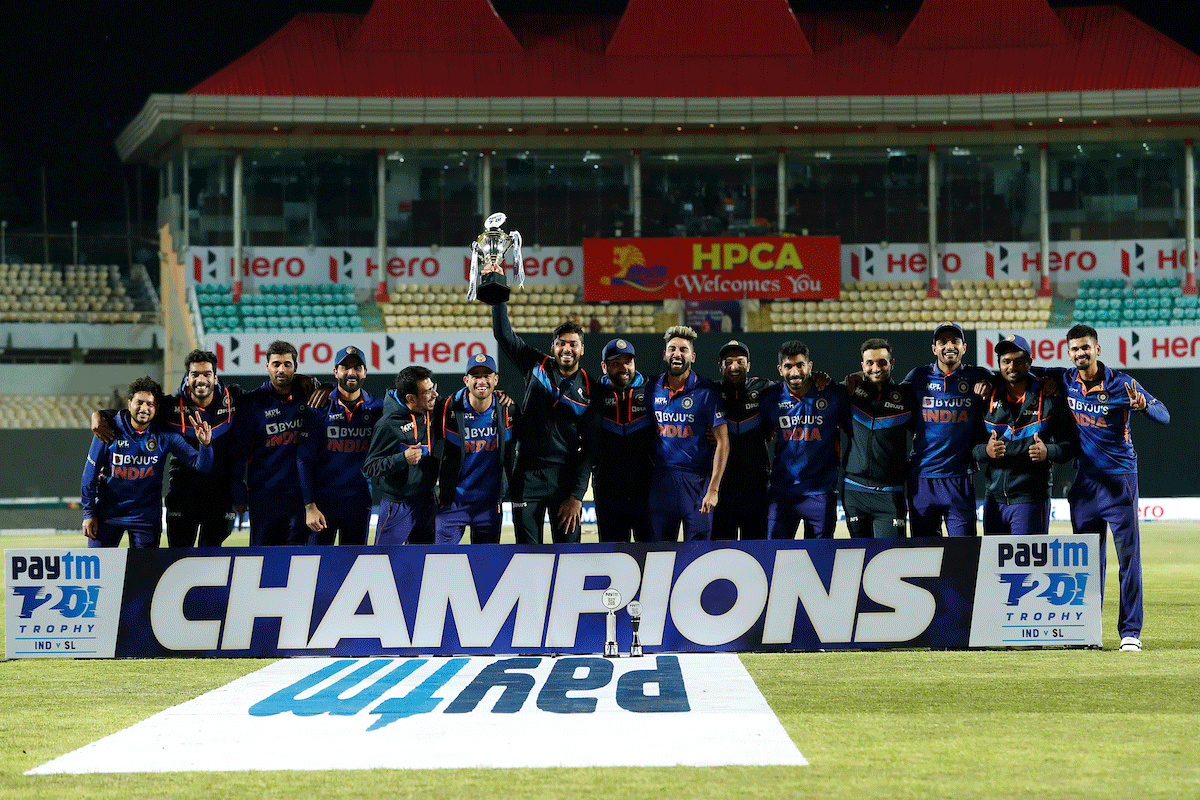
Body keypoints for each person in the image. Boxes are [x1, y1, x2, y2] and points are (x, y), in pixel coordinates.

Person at [1047, 324, 1170, 652]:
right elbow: (1022, 369)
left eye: (1085, 347)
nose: (1080, 353)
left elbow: (1164, 414)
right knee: (1086, 562)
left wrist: (1144, 407)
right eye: (1074, 349)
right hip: (1085, 485)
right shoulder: (1065, 379)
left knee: (1128, 559)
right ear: (1068, 352)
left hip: (1119, 483)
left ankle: (1130, 633)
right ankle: (1087, 632)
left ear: (1097, 349)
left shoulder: (1122, 383)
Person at [492, 301, 593, 543]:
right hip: (527, 475)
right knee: (527, 558)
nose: (566, 348)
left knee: (568, 558)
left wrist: (577, 496)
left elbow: (589, 449)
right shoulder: (537, 365)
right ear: (553, 347)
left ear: (582, 349)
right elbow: (503, 335)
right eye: (561, 343)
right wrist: (498, 299)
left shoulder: (592, 391)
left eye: (573, 344)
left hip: (564, 482)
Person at [81, 377, 212, 548]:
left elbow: (202, 466)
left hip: (145, 518)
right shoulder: (108, 428)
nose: (144, 408)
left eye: (150, 404)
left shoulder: (166, 435)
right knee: (98, 572)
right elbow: (89, 474)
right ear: (129, 404)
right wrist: (89, 514)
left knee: (145, 574)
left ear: (156, 408)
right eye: (139, 402)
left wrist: (205, 445)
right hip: (108, 515)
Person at [972, 334, 1076, 536]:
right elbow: (972, 448)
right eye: (1006, 361)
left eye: (1018, 360)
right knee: (994, 566)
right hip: (993, 500)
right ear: (999, 365)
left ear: (1029, 362)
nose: (1012, 366)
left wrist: (1049, 451)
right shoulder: (987, 396)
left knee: (1027, 567)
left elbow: (1070, 445)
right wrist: (985, 451)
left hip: (1031, 500)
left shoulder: (1049, 396)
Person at [901, 322, 992, 537]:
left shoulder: (979, 376)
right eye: (943, 342)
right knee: (925, 555)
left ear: (964, 347)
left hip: (959, 478)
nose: (949, 346)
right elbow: (886, 394)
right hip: (922, 478)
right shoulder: (918, 377)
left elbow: (1013, 380)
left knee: (964, 554)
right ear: (934, 349)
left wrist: (989, 384)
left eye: (955, 341)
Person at [759, 341, 849, 539]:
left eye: (800, 365)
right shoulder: (769, 399)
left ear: (810, 366)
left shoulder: (833, 395)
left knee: (819, 560)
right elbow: (762, 436)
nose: (795, 372)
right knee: (775, 555)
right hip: (782, 492)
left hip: (821, 492)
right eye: (788, 367)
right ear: (779, 369)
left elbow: (854, 431)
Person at [648, 325, 729, 542]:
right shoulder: (651, 388)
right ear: (665, 354)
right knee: (660, 554)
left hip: (697, 482)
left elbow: (723, 442)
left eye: (683, 350)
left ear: (692, 356)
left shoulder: (707, 391)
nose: (677, 354)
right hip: (662, 481)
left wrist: (713, 489)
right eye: (672, 348)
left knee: (698, 554)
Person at [297, 345, 384, 546]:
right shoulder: (319, 408)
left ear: (365, 372)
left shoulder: (378, 408)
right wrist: (309, 506)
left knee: (354, 566)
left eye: (357, 367)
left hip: (359, 501)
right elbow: (303, 459)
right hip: (323, 503)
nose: (351, 373)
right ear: (335, 371)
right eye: (345, 367)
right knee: (316, 565)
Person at [230, 340, 311, 546]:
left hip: (300, 496)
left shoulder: (309, 396)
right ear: (267, 367)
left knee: (297, 559)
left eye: (287, 364)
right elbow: (239, 452)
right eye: (276, 364)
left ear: (296, 367)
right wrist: (239, 493)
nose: (281, 369)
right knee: (261, 559)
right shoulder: (252, 403)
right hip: (264, 496)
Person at [435, 354, 518, 544]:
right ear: (466, 380)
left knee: (485, 568)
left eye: (486, 375)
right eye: (475, 376)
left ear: (496, 379)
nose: (481, 381)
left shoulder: (508, 411)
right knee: (440, 563)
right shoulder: (448, 409)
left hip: (489, 504)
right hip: (453, 502)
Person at [842, 338, 917, 538]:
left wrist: (907, 465)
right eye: (870, 363)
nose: (876, 368)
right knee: (860, 560)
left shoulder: (906, 397)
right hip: (854, 492)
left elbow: (925, 435)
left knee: (890, 560)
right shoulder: (849, 392)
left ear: (891, 364)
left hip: (890, 493)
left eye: (882, 362)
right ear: (862, 366)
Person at [364, 365, 443, 545]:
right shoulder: (388, 424)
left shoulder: (432, 411)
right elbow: (371, 466)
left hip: (427, 502)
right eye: (428, 391)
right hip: (397, 506)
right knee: (385, 562)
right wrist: (402, 458)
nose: (435, 395)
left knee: (426, 562)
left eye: (433, 388)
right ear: (410, 398)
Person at [588, 338, 654, 543]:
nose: (623, 367)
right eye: (616, 363)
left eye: (628, 361)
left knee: (651, 556)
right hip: (608, 492)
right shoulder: (591, 393)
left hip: (647, 490)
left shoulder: (654, 390)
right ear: (604, 366)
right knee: (613, 556)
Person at [711, 340, 772, 540]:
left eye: (740, 361)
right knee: (721, 554)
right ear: (720, 367)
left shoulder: (765, 388)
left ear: (749, 365)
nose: (734, 367)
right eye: (728, 362)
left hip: (756, 489)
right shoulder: (710, 392)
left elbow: (798, 387)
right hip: (723, 491)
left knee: (756, 553)